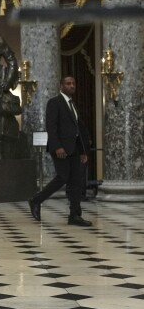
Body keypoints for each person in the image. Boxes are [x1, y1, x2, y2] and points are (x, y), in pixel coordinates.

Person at [28, 76, 92, 227]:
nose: (72, 86)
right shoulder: (54, 102)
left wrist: (84, 151)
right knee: (63, 177)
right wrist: (57, 147)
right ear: (61, 86)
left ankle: (74, 215)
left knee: (76, 181)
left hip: (75, 148)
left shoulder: (73, 105)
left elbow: (78, 129)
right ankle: (36, 200)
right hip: (61, 148)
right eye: (68, 84)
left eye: (73, 83)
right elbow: (51, 126)